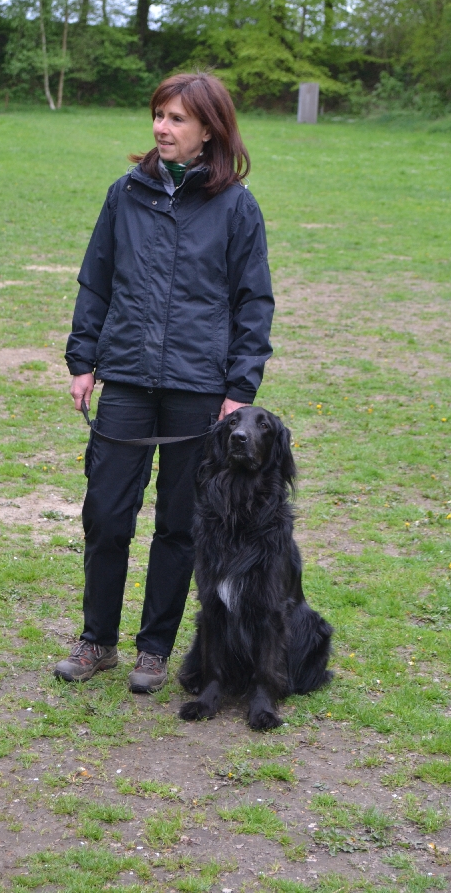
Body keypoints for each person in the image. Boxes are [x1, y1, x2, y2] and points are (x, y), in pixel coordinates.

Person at [54, 72, 274, 692]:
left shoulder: (236, 206)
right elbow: (96, 279)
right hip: (125, 376)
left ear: (209, 130)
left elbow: (253, 302)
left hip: (198, 388)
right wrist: (83, 360)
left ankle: (154, 650)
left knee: (180, 524)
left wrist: (239, 390)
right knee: (106, 514)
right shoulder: (125, 193)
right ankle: (97, 641)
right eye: (158, 114)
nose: (162, 127)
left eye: (177, 118)